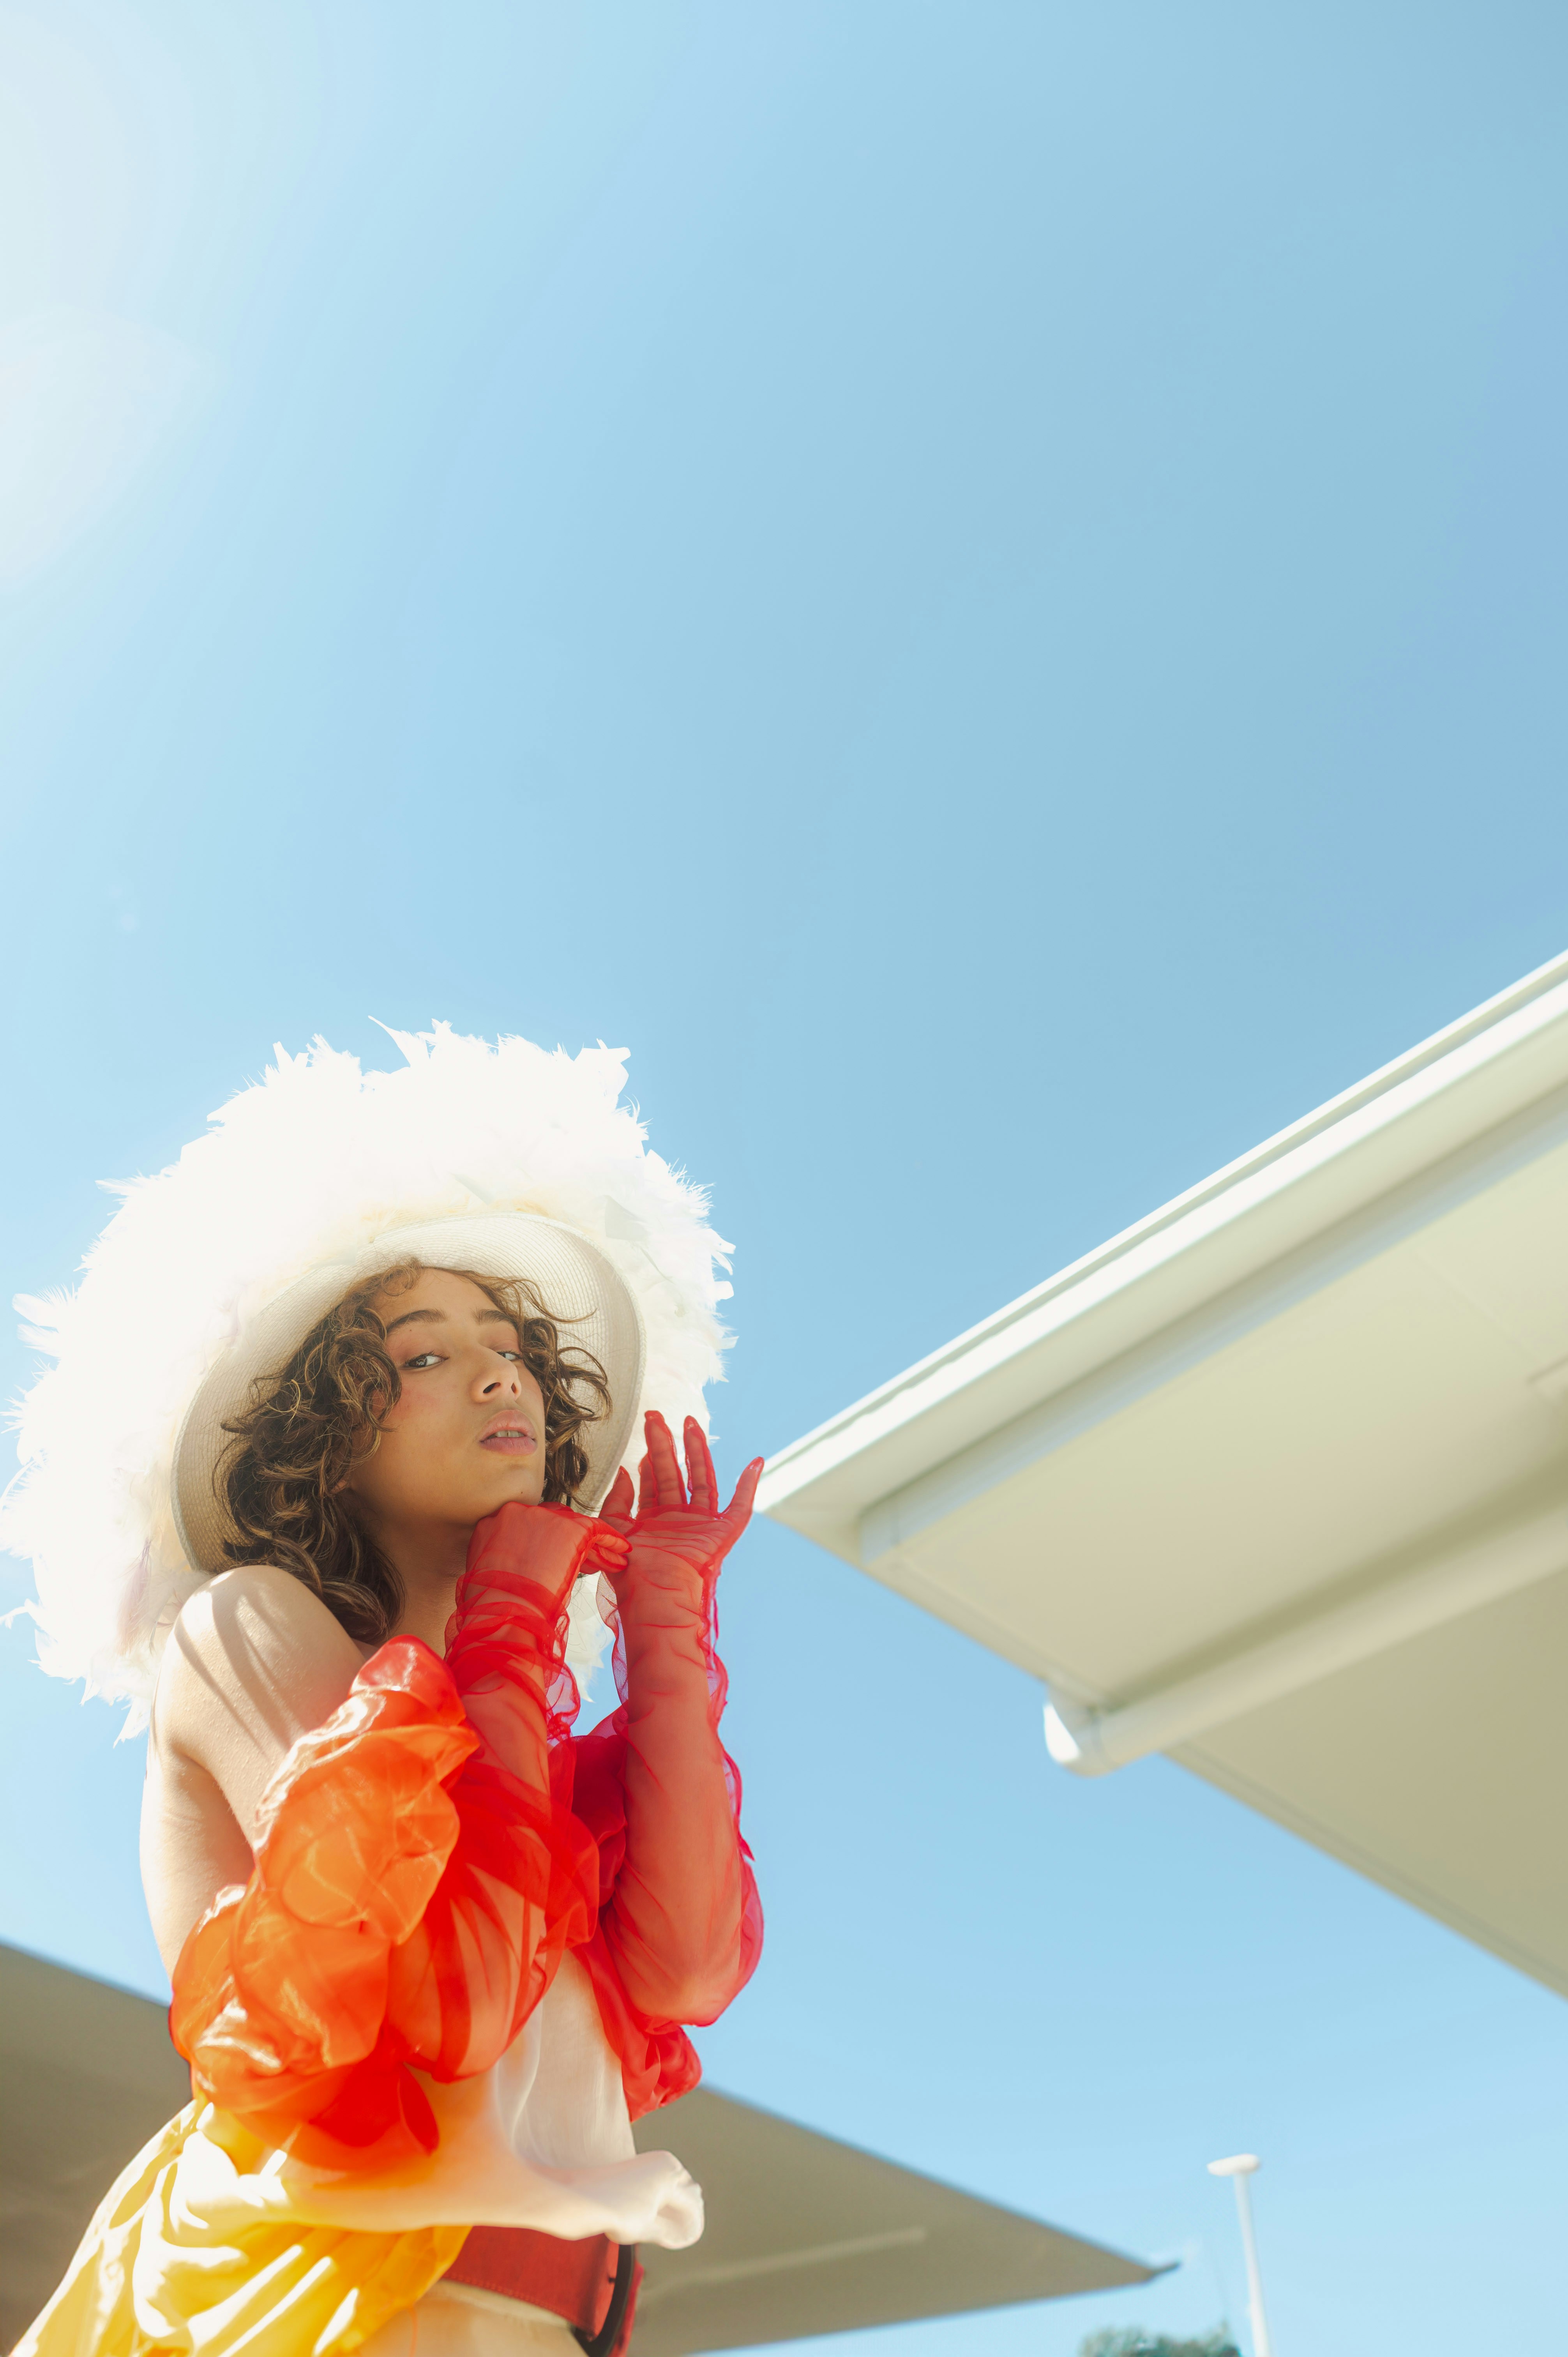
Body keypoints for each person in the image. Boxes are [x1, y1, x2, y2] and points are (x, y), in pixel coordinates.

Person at [5, 1028, 763, 2357]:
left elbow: (688, 1967)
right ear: (326, 1431)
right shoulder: (248, 1626)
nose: (499, 1374)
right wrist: (517, 1611)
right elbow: (455, 2005)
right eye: (421, 1354)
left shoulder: (521, 1727)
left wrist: (665, 1626)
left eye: (511, 1344)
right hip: (315, 2313)